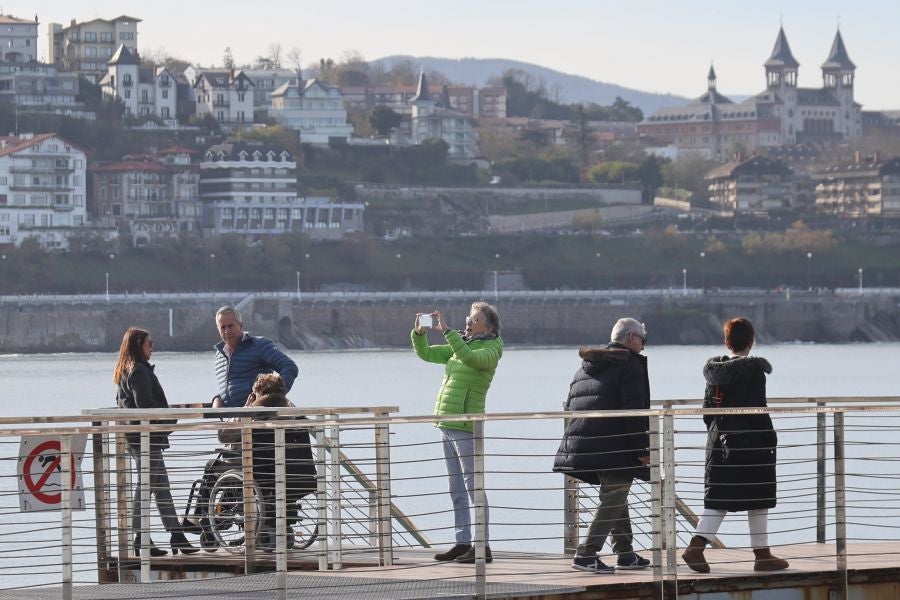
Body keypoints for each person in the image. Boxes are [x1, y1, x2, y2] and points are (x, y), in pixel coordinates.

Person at [682, 317, 789, 573]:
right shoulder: (753, 371)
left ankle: (696, 547)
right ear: (751, 342)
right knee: (759, 497)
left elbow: (707, 412)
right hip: (750, 442)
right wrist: (770, 438)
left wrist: (719, 432)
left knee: (719, 498)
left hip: (718, 442)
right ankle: (762, 555)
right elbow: (757, 410)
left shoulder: (714, 372)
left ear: (726, 342)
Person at [553, 317, 651, 574]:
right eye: (643, 339)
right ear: (631, 338)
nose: (643, 345)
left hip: (585, 442)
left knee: (615, 494)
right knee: (615, 494)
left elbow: (573, 404)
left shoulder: (587, 366)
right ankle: (586, 554)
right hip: (614, 444)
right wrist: (643, 449)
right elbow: (633, 411)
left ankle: (625, 553)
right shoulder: (629, 365)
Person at [411, 301, 503, 564]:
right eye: (468, 317)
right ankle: (463, 542)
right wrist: (419, 334)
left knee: (474, 486)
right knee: (456, 488)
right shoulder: (461, 343)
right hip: (447, 422)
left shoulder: (492, 347)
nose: (469, 322)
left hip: (466, 424)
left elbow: (471, 359)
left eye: (475, 319)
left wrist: (448, 333)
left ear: (489, 327)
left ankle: (482, 545)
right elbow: (426, 354)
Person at [113, 327, 198, 556]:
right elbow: (146, 406)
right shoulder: (138, 371)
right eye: (149, 343)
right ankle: (141, 537)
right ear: (138, 345)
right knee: (147, 485)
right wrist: (169, 418)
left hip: (139, 437)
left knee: (161, 487)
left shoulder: (127, 370)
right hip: (145, 437)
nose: (153, 347)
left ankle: (176, 534)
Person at [218, 373, 317, 551]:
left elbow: (223, 435)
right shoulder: (294, 414)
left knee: (213, 468)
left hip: (261, 473)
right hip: (293, 473)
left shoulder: (252, 412)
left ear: (258, 393)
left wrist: (246, 407)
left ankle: (212, 516)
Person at [212, 306, 299, 408]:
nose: (227, 331)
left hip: (259, 415)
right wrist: (217, 399)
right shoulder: (219, 355)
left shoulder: (259, 345)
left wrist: (273, 398)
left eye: (230, 326)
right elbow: (229, 390)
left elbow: (289, 367)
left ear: (240, 325)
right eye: (222, 327)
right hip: (234, 416)